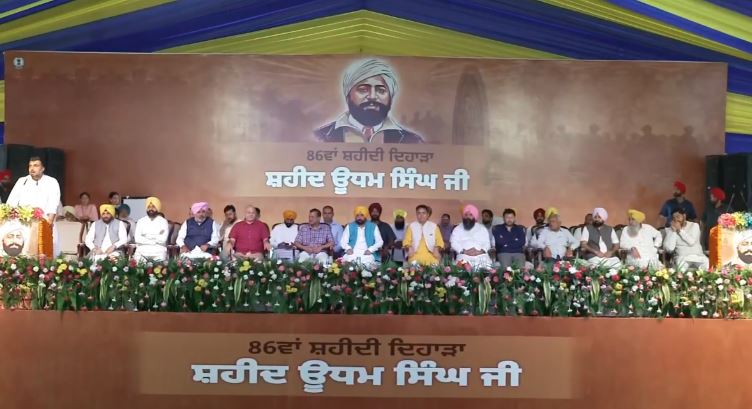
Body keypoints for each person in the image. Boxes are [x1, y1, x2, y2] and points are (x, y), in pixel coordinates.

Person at [315, 58, 423, 143]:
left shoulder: (412, 141)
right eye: (363, 90)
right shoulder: (320, 137)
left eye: (381, 90)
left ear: (390, 97)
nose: (372, 96)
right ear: (348, 95)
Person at [6, 156, 61, 257]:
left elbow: (53, 203)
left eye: (36, 165)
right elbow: (11, 201)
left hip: (44, 222)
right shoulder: (22, 181)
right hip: (23, 223)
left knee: (46, 253)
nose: (32, 168)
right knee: (24, 253)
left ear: (42, 168)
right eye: (30, 166)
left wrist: (49, 222)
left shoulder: (51, 182)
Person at [133, 197, 169, 262]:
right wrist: (155, 238)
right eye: (149, 207)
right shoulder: (141, 221)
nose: (151, 209)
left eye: (153, 207)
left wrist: (145, 236)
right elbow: (137, 239)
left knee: (160, 262)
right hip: (142, 250)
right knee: (138, 263)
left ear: (158, 208)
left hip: (158, 251)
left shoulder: (163, 221)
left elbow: (163, 239)